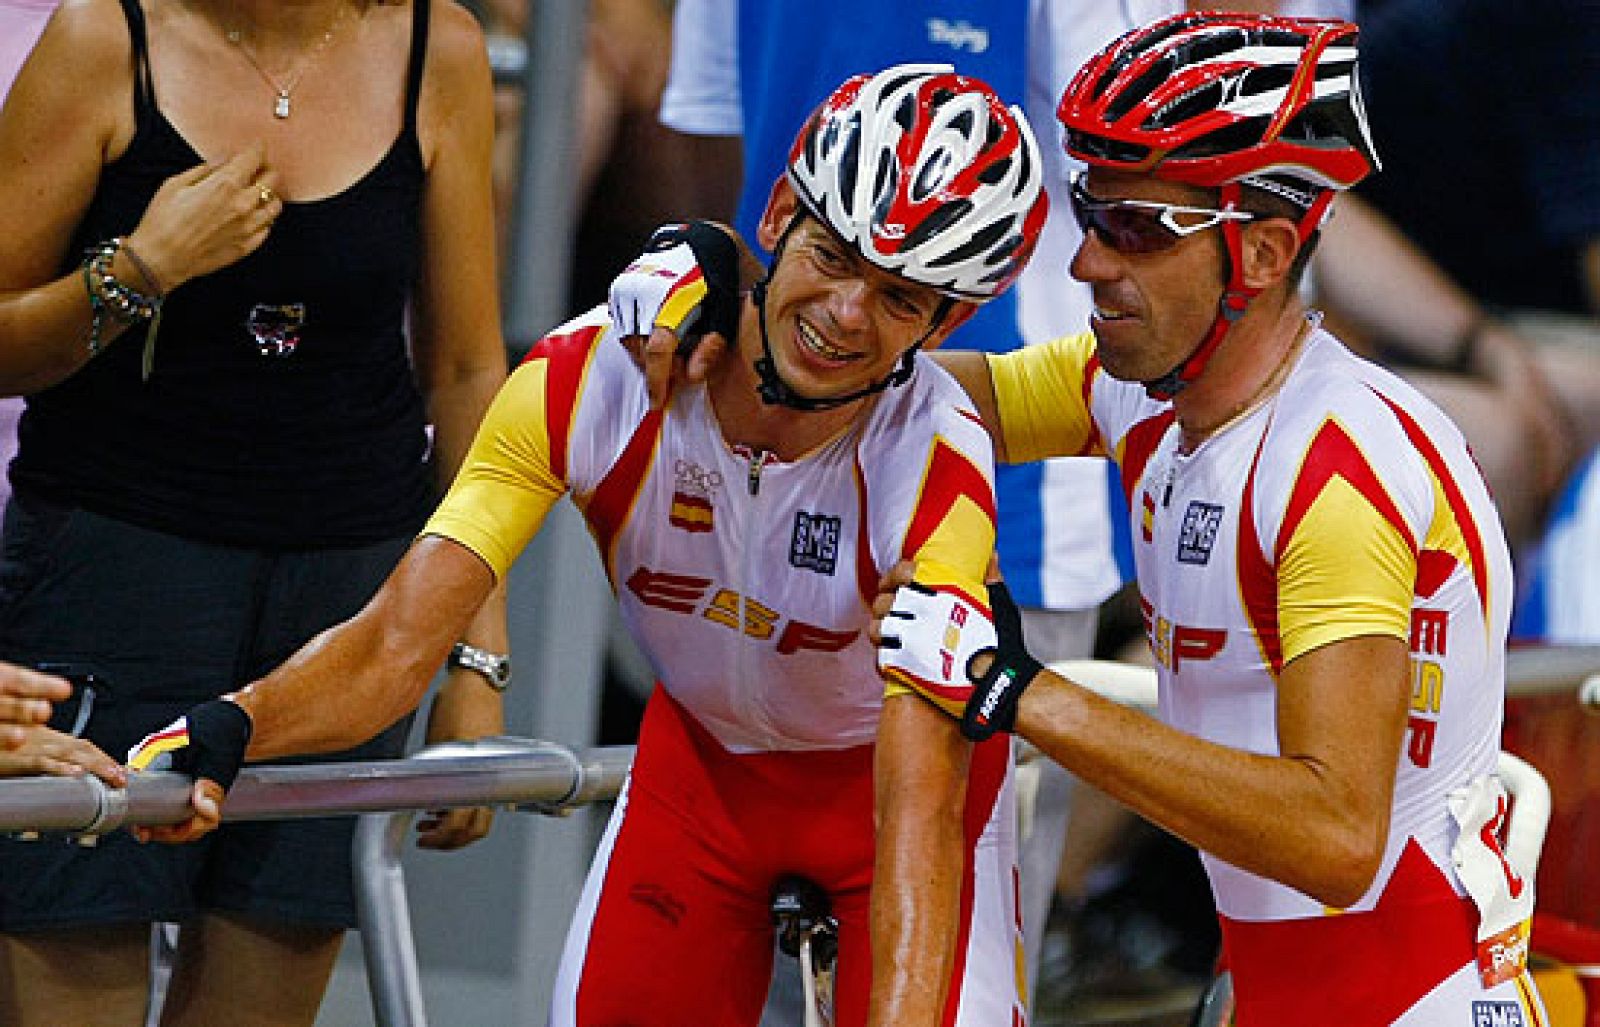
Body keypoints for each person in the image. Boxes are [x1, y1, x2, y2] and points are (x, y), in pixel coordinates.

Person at [131, 64, 1049, 1024]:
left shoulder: (937, 458)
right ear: (778, 214)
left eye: (902, 298)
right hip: (703, 780)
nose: (847, 314)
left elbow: (916, 809)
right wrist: (235, 724)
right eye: (832, 256)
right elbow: (397, 641)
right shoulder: (588, 379)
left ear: (954, 320)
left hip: (896, 808)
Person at [866, 13, 1547, 1025]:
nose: (1087, 263)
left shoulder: (1331, 475)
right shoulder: (1147, 394)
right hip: (1282, 988)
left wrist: (1014, 687)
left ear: (1265, 250)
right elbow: (909, 391)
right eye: (1089, 210)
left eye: (1134, 227)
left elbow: (1332, 834)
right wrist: (741, 312)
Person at [0, 1, 508, 1024]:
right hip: (111, 573)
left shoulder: (436, 49)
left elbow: (463, 370)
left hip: (345, 607)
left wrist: (473, 653)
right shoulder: (106, 41)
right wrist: (137, 272)